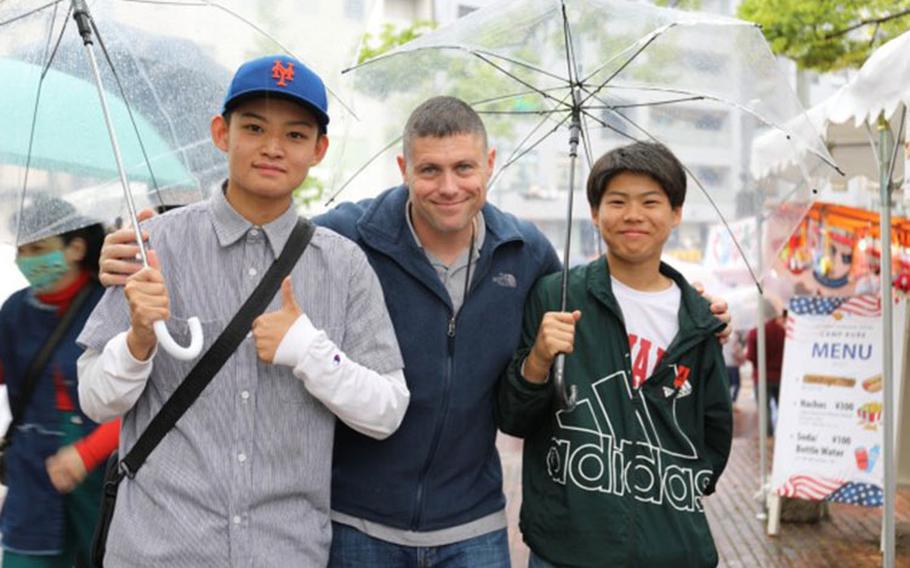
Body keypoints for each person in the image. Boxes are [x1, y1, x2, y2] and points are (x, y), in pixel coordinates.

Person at [97, 97, 733, 566]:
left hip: (474, 520)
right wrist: (155, 235)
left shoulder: (527, 250)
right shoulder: (349, 236)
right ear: (404, 167)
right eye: (429, 170)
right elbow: (263, 235)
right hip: (355, 519)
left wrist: (690, 302)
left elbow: (600, 299)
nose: (448, 186)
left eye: (463, 167)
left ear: (490, 162)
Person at [76, 55, 408, 566]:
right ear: (220, 132)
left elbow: (386, 410)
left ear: (318, 150)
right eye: (254, 128)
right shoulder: (153, 247)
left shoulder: (343, 266)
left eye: (296, 136)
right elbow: (96, 399)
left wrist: (310, 352)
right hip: (157, 551)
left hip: (285, 552)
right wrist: (139, 337)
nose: (273, 148)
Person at [497, 141, 734, 567]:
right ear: (594, 212)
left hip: (672, 548)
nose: (633, 215)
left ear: (676, 214)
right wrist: (537, 360)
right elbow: (514, 419)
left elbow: (714, 431)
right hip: (567, 547)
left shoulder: (699, 318)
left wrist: (666, 490)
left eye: (650, 202)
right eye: (617, 201)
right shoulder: (557, 295)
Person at [0, 197, 119, 568]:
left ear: (76, 248)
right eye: (21, 249)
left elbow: (140, 400)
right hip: (32, 464)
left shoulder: (111, 303)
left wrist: (87, 452)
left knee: (106, 554)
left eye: (38, 248)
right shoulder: (17, 309)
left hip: (100, 464)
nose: (26, 259)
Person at [745, 305, 786, 436]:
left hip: (761, 377)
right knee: (783, 408)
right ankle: (783, 435)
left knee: (764, 410)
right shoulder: (783, 332)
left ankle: (767, 437)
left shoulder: (755, 333)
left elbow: (751, 356)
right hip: (780, 376)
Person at [723, 330, 745, 404]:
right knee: (736, 384)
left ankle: (728, 401)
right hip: (733, 366)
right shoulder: (736, 344)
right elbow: (735, 354)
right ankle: (732, 401)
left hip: (726, 365)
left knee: (728, 384)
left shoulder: (725, 343)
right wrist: (741, 360)